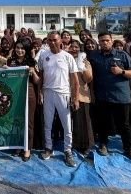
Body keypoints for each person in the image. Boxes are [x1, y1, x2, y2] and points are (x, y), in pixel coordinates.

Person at [87, 32, 131, 161]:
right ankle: (103, 145)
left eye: (107, 40)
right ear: (98, 42)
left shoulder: (122, 55)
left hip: (120, 96)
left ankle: (129, 149)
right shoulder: (94, 56)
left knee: (124, 125)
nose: (104, 43)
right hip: (103, 96)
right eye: (101, 41)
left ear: (111, 41)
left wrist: (121, 71)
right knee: (103, 123)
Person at [37, 31, 79, 167]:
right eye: (49, 40)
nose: (52, 42)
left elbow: (75, 81)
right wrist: (40, 92)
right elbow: (41, 77)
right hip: (48, 93)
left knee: (67, 124)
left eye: (54, 40)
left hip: (63, 93)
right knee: (47, 123)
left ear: (60, 40)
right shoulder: (43, 56)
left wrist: (76, 98)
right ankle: (49, 148)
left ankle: (68, 150)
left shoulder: (67, 57)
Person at [67, 39, 94, 157]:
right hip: (67, 94)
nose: (74, 49)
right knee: (73, 122)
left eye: (76, 47)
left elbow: (89, 79)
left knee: (84, 121)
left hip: (82, 95)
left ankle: (87, 145)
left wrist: (82, 67)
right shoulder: (65, 60)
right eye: (71, 47)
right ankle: (75, 143)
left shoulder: (84, 61)